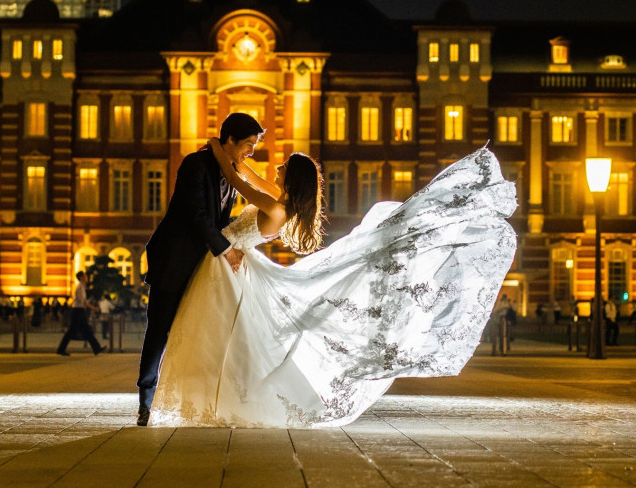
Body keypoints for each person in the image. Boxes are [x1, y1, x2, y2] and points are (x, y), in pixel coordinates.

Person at [150, 145, 517, 428]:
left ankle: (225, 397)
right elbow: (249, 176)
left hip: (227, 267)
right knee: (234, 339)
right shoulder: (281, 202)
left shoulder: (275, 207)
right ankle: (219, 395)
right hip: (229, 264)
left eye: (282, 168)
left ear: (290, 177)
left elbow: (235, 180)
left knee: (227, 338)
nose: (275, 169)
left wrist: (220, 151)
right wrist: (236, 159)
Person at [136, 112, 266, 426]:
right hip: (175, 259)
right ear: (230, 140)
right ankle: (145, 400)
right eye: (248, 144)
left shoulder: (231, 170)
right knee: (159, 329)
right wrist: (225, 249)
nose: (251, 152)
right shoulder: (194, 165)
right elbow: (195, 214)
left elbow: (220, 221)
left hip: (204, 266)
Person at [56, 272, 105, 356]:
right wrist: (93, 308)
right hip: (78, 311)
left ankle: (96, 348)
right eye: (85, 276)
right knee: (72, 331)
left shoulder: (81, 287)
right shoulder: (80, 287)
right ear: (81, 277)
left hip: (79, 310)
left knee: (86, 330)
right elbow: (83, 301)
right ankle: (61, 349)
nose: (86, 277)